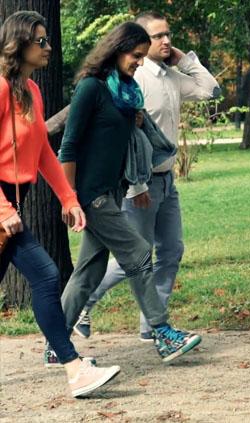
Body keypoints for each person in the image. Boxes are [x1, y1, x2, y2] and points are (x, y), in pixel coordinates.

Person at [44, 21, 201, 366]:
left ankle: (56, 343)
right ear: (116, 49)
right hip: (91, 195)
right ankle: (162, 333)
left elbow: (123, 142)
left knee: (89, 271)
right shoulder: (91, 89)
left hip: (113, 192)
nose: (139, 62)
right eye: (135, 55)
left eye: (142, 57)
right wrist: (69, 200)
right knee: (140, 253)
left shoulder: (126, 91)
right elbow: (67, 149)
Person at [73, 11, 220, 342]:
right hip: (140, 184)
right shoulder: (134, 80)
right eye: (157, 36)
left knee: (171, 251)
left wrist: (183, 57)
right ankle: (82, 305)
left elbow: (210, 90)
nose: (166, 40)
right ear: (137, 43)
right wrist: (137, 185)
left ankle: (150, 327)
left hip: (168, 182)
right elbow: (125, 140)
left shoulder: (170, 77)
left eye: (169, 34)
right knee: (133, 259)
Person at [0, 10, 120, 398]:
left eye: (47, 39)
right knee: (47, 276)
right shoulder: (0, 88)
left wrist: (68, 197)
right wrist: (2, 210)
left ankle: (71, 365)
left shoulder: (32, 91)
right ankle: (72, 367)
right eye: (40, 41)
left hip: (14, 200)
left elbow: (42, 154)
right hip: (2, 201)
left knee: (45, 277)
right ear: (19, 43)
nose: (48, 47)